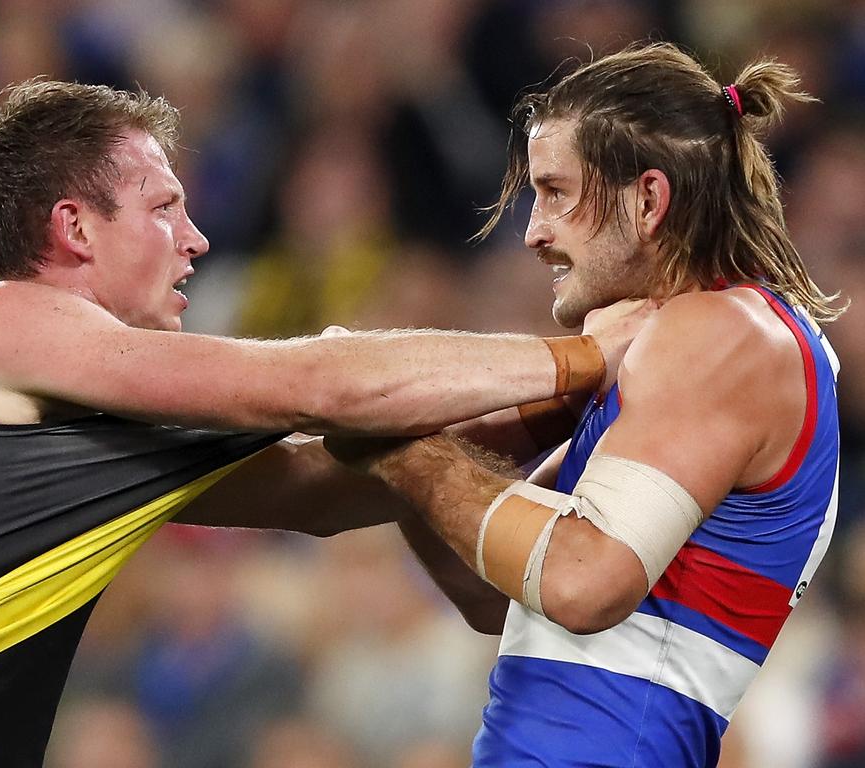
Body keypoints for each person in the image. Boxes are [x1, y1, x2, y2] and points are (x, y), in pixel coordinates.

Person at [0, 79, 648, 766]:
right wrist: (587, 357)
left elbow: (319, 491)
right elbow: (313, 386)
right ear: (74, 227)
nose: (195, 240)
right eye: (164, 208)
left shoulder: (79, 417)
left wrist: (554, 412)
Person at [325, 42, 843, 767]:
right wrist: (397, 446)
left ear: (649, 201)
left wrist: (409, 447)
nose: (533, 231)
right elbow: (492, 592)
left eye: (556, 191)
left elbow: (576, 582)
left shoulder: (724, 334)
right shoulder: (680, 357)